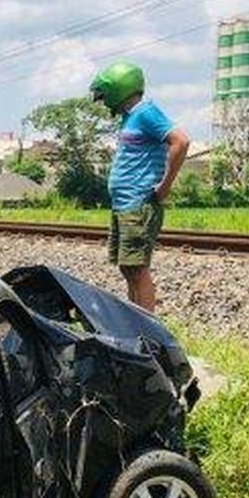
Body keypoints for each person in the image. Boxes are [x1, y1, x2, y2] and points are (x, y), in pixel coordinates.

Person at [90, 61, 190, 311]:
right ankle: (136, 327)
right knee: (128, 267)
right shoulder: (130, 117)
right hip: (124, 205)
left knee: (137, 269)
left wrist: (165, 185)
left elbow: (181, 141)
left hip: (138, 204)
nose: (104, 102)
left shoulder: (146, 112)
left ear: (118, 88)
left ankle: (147, 334)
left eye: (105, 96)